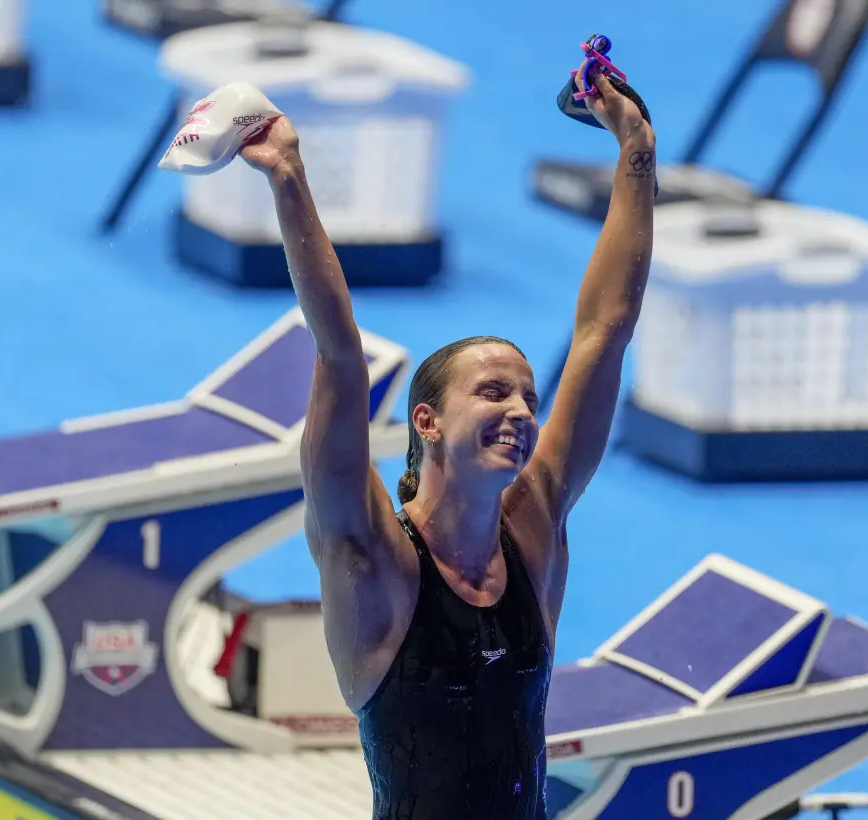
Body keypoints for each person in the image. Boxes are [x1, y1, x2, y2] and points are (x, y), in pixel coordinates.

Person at [239, 63, 655, 820]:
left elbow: (605, 331)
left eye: (528, 396)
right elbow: (338, 355)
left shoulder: (534, 530)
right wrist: (288, 176)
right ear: (425, 422)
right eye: (494, 392)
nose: (523, 411)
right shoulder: (372, 561)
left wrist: (635, 150)